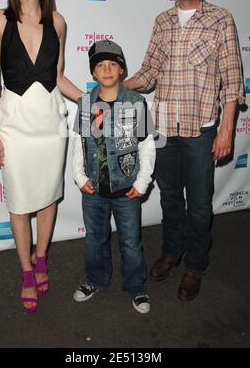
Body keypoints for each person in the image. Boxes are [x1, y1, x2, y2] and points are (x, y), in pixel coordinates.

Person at [124, 0, 244, 300]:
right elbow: (148, 74)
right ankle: (172, 252)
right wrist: (114, 85)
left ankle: (195, 265)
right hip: (164, 129)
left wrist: (226, 130)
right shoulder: (162, 22)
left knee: (201, 203)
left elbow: (233, 80)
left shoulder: (221, 19)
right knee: (170, 198)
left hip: (201, 130)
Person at [0, 0, 83, 313]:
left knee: (47, 197)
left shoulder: (58, 21)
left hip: (49, 122)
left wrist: (91, 102)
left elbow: (57, 77)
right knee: (20, 201)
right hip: (14, 124)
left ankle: (42, 258)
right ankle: (26, 270)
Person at [72, 39, 156, 314]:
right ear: (93, 73)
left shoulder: (136, 102)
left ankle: (136, 286)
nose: (106, 69)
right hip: (93, 190)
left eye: (112, 64)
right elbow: (78, 142)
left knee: (130, 241)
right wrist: (78, 174)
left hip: (126, 190)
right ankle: (96, 279)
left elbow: (146, 145)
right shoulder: (86, 104)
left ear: (121, 69)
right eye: (100, 65)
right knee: (95, 238)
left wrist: (143, 181)